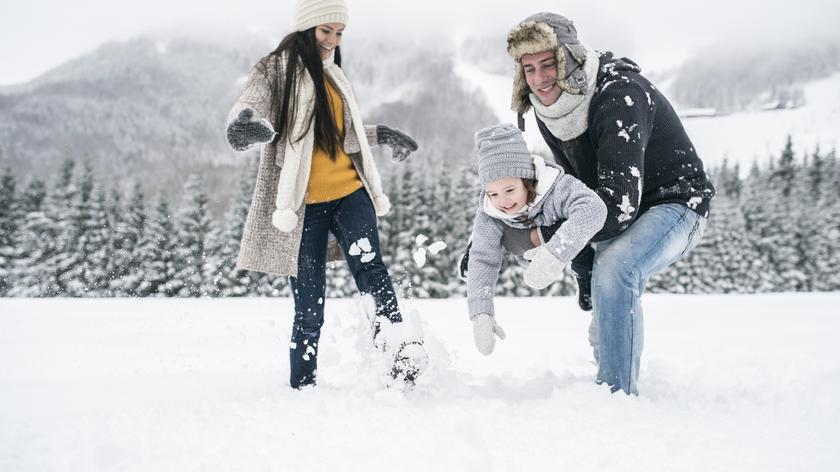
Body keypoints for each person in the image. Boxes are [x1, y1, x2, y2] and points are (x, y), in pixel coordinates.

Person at [503, 12, 716, 395]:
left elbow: (616, 207)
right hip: (621, 207)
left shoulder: (619, 95)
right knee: (604, 273)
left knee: (616, 267)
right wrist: (585, 273)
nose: (540, 78)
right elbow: (580, 194)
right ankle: (608, 374)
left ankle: (616, 396)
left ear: (569, 58)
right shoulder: (551, 110)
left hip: (678, 204)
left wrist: (545, 239)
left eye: (549, 64)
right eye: (529, 68)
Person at [225, 0, 426, 389]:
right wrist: (244, 124)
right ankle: (303, 387)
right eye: (325, 32)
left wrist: (380, 134)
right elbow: (249, 105)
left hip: (351, 192)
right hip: (302, 207)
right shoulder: (275, 71)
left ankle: (401, 362)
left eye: (339, 33)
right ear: (306, 28)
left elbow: (338, 135)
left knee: (373, 273)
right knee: (310, 304)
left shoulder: (334, 74)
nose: (333, 41)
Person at [467, 123, 606, 355]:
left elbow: (594, 208)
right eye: (493, 193)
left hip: (581, 241)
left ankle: (585, 274)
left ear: (527, 180)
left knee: (583, 252)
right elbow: (483, 258)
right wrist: (481, 312)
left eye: (509, 190)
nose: (502, 201)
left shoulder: (557, 187)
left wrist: (555, 254)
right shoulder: (490, 212)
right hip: (528, 254)